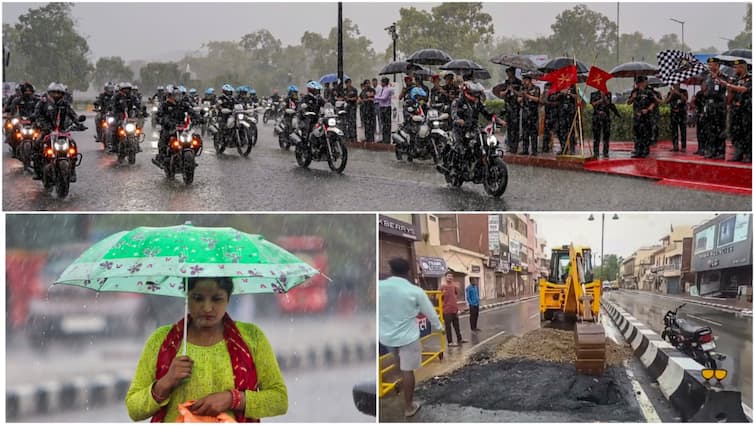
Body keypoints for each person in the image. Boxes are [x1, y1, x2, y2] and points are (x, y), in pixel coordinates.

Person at [125, 277, 287, 422]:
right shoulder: (161, 340)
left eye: (216, 299)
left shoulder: (252, 337)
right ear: (187, 297)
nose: (207, 308)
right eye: (198, 298)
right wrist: (165, 383)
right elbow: (134, 409)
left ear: (228, 298)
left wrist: (233, 399)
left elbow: (279, 400)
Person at [378, 258, 442, 418]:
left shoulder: (379, 287)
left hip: (386, 337)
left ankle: (401, 382)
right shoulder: (414, 291)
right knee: (408, 371)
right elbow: (430, 312)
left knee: (399, 361)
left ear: (390, 270)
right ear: (407, 272)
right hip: (407, 337)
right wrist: (440, 328)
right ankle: (409, 406)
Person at [32, 82, 86, 181]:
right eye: (54, 92)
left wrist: (79, 123)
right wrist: (43, 125)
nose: (56, 95)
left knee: (72, 144)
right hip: (46, 129)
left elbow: (72, 115)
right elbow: (37, 115)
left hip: (61, 130)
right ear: (50, 93)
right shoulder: (43, 102)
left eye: (59, 93)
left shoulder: (65, 104)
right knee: (37, 143)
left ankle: (72, 169)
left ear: (62, 94)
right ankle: (37, 170)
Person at [154, 86, 202, 165]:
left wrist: (199, 118)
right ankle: (162, 157)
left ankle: (192, 155)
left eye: (179, 95)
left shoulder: (183, 104)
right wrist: (163, 120)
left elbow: (192, 112)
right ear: (170, 96)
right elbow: (160, 115)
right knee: (164, 138)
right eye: (175, 95)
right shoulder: (165, 105)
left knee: (196, 139)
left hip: (182, 128)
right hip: (169, 128)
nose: (178, 97)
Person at [725, 59, 751, 162]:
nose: (734, 69)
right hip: (735, 109)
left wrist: (729, 85)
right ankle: (738, 153)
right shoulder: (734, 79)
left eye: (736, 67)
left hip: (746, 109)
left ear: (742, 68)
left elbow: (744, 89)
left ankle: (749, 154)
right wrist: (729, 88)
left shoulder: (750, 78)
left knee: (747, 132)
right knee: (735, 131)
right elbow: (730, 96)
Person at [704, 57, 729, 159]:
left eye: (712, 64)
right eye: (709, 64)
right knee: (710, 129)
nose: (710, 66)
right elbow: (706, 91)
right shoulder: (708, 77)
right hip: (710, 106)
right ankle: (712, 151)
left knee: (720, 129)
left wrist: (717, 78)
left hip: (719, 106)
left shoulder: (723, 76)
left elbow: (726, 87)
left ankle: (720, 152)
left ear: (717, 65)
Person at [626, 76, 657, 158]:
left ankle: (645, 151)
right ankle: (637, 151)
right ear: (640, 83)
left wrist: (648, 109)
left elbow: (654, 102)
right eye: (644, 82)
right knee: (637, 134)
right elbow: (628, 102)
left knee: (646, 134)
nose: (646, 83)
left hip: (646, 117)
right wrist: (633, 97)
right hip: (637, 117)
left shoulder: (649, 92)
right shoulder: (634, 91)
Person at [590, 89, 621, 158]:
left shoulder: (608, 93)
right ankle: (596, 152)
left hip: (606, 117)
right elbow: (593, 104)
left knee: (606, 135)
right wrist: (600, 100)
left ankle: (605, 152)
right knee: (596, 136)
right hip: (596, 117)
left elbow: (609, 104)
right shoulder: (593, 94)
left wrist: (605, 98)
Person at [440, 271, 466, 347]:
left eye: (451, 276)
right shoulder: (442, 287)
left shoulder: (454, 286)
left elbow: (455, 297)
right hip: (446, 310)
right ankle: (450, 342)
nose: (450, 277)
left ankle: (460, 339)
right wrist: (442, 294)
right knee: (448, 327)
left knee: (457, 326)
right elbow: (436, 297)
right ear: (445, 277)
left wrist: (458, 308)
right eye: (448, 276)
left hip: (454, 309)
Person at [519, 74, 541, 156]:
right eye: (523, 80)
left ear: (529, 81)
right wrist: (522, 97)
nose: (524, 82)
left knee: (533, 132)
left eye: (525, 80)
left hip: (533, 113)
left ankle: (534, 150)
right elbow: (519, 99)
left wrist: (527, 95)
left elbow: (537, 99)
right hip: (525, 112)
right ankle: (525, 149)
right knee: (525, 132)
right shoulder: (522, 88)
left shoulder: (536, 88)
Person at [664, 83, 689, 152]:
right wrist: (672, 94)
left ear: (679, 84)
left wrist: (679, 93)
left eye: (677, 84)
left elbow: (685, 99)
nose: (676, 86)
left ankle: (683, 147)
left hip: (682, 114)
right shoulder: (670, 92)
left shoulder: (684, 91)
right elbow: (666, 102)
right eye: (674, 85)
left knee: (683, 130)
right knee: (674, 131)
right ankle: (675, 146)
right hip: (673, 114)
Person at [541, 83, 559, 153]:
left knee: (558, 131)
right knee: (546, 132)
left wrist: (548, 102)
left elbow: (558, 102)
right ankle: (545, 148)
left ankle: (564, 148)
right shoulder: (546, 90)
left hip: (556, 113)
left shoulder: (558, 88)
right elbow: (542, 101)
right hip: (548, 113)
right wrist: (545, 94)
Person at [374, 77, 394, 144]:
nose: (381, 83)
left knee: (387, 124)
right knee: (383, 124)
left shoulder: (388, 90)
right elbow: (379, 96)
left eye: (382, 82)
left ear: (384, 83)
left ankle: (387, 139)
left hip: (386, 108)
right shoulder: (382, 89)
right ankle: (384, 138)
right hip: (381, 107)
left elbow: (384, 98)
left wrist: (374, 97)